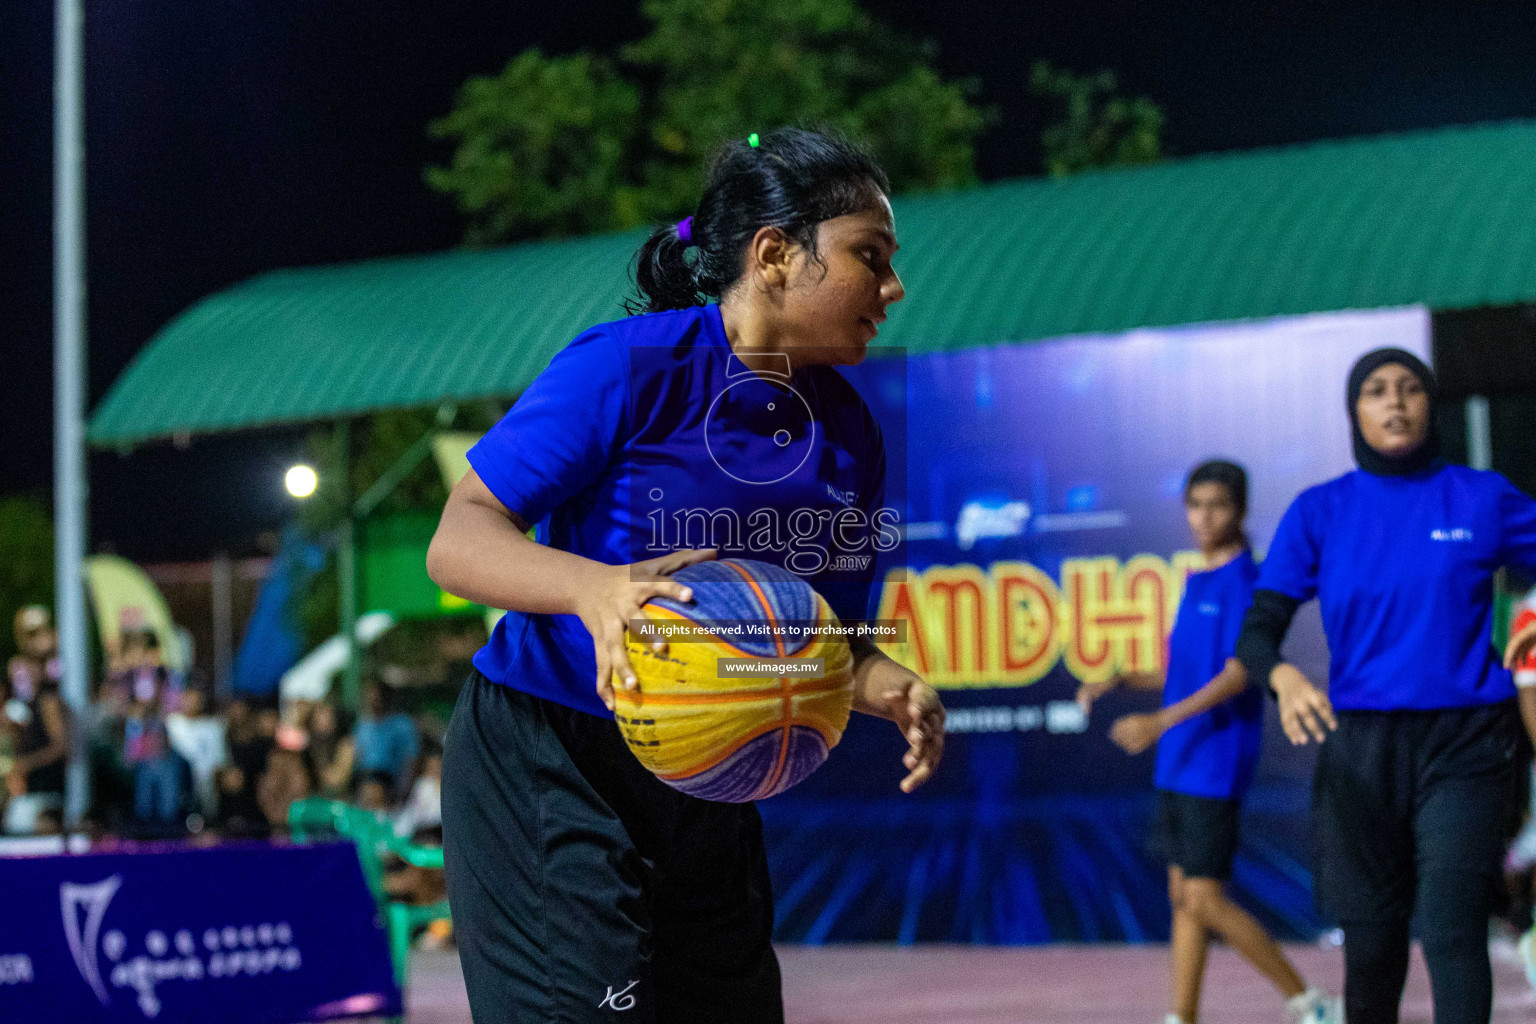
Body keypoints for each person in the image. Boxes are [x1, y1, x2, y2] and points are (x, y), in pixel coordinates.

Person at [427, 126, 944, 1024]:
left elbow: (832, 647)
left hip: (709, 773)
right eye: (871, 257)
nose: (893, 289)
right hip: (554, 754)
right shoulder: (629, 367)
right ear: (776, 255)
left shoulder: (851, 433)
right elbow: (459, 538)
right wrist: (592, 589)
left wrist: (887, 684)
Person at [1234, 348, 1536, 1024]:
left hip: (1468, 744)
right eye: (1376, 391)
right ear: (1354, 412)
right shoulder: (1321, 510)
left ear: (1431, 405)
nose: (1395, 403)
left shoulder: (1482, 498)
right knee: (1373, 948)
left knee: (1454, 931)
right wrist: (1282, 678)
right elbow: (1257, 633)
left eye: (1410, 389)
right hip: (1361, 751)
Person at [1079, 462, 1339, 1024]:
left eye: (1216, 505)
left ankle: (1312, 1004)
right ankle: (1183, 1016)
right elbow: (1182, 671)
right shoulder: (1197, 581)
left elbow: (1240, 672)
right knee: (1183, 898)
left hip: (1215, 763)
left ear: (1240, 511)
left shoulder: (1248, 583)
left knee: (1203, 898)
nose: (1202, 517)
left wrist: (1159, 722)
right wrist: (1121, 677)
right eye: (1194, 504)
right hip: (1179, 763)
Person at [4, 606, 69, 835]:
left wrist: (25, 764)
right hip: (33, 791)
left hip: (47, 795)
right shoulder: (28, 703)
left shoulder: (48, 698)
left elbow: (61, 746)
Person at [166, 685, 227, 819]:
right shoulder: (171, 723)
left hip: (206, 776)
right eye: (187, 699)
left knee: (208, 781)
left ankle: (210, 821)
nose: (190, 704)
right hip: (178, 775)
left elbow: (219, 759)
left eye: (195, 700)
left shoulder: (213, 726)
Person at [352, 683, 419, 796]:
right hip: (364, 780)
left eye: (380, 696)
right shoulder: (362, 725)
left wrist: (402, 791)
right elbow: (356, 756)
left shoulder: (402, 724)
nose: (376, 700)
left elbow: (410, 759)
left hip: (390, 782)